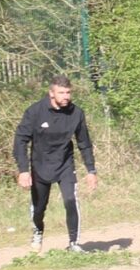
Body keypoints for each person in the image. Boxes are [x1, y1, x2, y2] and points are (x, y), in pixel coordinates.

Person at [13, 76, 99, 252]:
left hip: (65, 164)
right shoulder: (35, 112)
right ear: (51, 93)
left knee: (70, 200)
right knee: (39, 207)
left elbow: (84, 143)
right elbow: (20, 140)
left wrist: (91, 170)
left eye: (68, 92)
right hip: (40, 165)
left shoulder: (76, 113)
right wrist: (23, 170)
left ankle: (74, 243)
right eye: (61, 93)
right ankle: (38, 231)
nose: (66, 96)